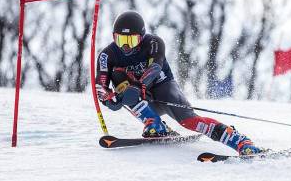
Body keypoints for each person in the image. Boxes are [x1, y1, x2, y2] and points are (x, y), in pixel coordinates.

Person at [95, 11, 263, 155]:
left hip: (163, 88)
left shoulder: (153, 42)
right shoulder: (107, 55)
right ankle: (154, 123)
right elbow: (100, 86)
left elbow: (155, 66)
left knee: (190, 122)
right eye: (120, 39)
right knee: (118, 76)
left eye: (131, 41)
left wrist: (139, 86)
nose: (125, 46)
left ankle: (240, 141)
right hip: (143, 102)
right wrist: (109, 98)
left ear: (142, 36)